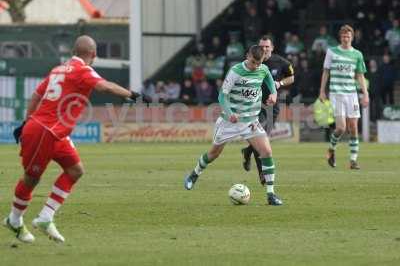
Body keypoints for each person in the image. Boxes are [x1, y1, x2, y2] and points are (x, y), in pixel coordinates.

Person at [3, 35, 150, 243]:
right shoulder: (83, 70)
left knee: (75, 170)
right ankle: (14, 220)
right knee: (32, 178)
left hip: (54, 132)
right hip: (44, 130)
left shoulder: (58, 69)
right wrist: (135, 96)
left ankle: (45, 217)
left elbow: (36, 95)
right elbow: (105, 87)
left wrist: (27, 121)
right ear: (94, 54)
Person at [184, 45, 283, 206]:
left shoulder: (263, 69)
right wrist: (230, 113)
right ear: (247, 56)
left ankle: (271, 195)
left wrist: (273, 95)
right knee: (213, 154)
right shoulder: (236, 71)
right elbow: (222, 96)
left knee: (266, 151)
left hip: (250, 121)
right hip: (229, 122)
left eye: (259, 63)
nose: (255, 66)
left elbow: (271, 84)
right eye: (253, 62)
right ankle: (195, 174)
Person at [241, 36, 294, 185]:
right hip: (253, 105)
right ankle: (262, 175)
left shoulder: (281, 62)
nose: (264, 49)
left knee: (263, 140)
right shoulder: (253, 61)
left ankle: (247, 152)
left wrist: (279, 83)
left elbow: (292, 78)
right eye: (262, 47)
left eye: (267, 47)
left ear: (272, 48)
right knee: (261, 141)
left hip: (270, 107)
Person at [319, 25, 369, 170]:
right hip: (336, 93)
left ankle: (353, 160)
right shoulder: (332, 52)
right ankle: (331, 149)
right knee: (341, 128)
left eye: (348, 36)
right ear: (340, 37)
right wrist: (322, 91)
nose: (346, 39)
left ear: (352, 37)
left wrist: (365, 94)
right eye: (343, 36)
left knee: (353, 127)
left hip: (352, 94)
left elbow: (360, 75)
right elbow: (326, 72)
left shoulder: (357, 54)